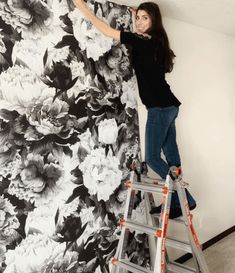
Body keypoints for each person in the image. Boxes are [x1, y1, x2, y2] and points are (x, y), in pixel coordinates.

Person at [72, 0, 195, 218]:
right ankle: (178, 202)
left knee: (153, 158)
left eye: (144, 18)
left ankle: (185, 196)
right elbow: (138, 40)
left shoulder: (142, 41)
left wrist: (83, 9)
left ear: (154, 21)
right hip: (170, 106)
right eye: (138, 18)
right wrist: (133, 16)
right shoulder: (156, 43)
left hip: (159, 108)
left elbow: (108, 30)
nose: (138, 22)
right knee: (171, 155)